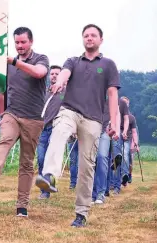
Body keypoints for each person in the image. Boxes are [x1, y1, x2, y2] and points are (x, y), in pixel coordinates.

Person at [35, 24, 120, 227]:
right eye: (86, 35)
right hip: (70, 110)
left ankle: (81, 212)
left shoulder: (108, 65)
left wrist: (114, 123)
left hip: (93, 120)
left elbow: (112, 94)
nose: (89, 38)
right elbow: (64, 73)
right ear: (82, 39)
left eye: (93, 35)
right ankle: (49, 176)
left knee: (86, 167)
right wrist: (59, 82)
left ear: (101, 39)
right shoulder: (73, 61)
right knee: (59, 130)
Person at [0, 27, 49, 217]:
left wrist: (14, 61)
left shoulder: (41, 59)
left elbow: (39, 73)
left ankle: (22, 205)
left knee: (26, 163)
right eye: (16, 42)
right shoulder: (7, 65)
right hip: (12, 114)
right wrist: (2, 115)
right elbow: (2, 91)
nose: (20, 46)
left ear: (31, 42)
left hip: (33, 119)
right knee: (5, 138)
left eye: (23, 42)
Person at [92, 97, 128, 204]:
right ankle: (93, 193)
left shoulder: (110, 91)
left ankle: (101, 193)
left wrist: (117, 129)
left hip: (105, 131)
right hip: (90, 128)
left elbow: (117, 112)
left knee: (102, 157)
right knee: (92, 161)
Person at [36, 65, 65, 199]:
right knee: (41, 158)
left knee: (51, 159)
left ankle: (47, 188)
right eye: (52, 73)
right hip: (43, 128)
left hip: (56, 129)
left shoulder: (65, 93)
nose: (53, 76)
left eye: (56, 74)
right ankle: (45, 187)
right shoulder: (44, 92)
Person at [120, 96, 139, 184]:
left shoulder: (131, 118)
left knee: (129, 159)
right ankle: (122, 176)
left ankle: (129, 174)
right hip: (118, 139)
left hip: (129, 139)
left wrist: (135, 144)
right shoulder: (116, 116)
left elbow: (134, 132)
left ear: (128, 105)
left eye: (126, 103)